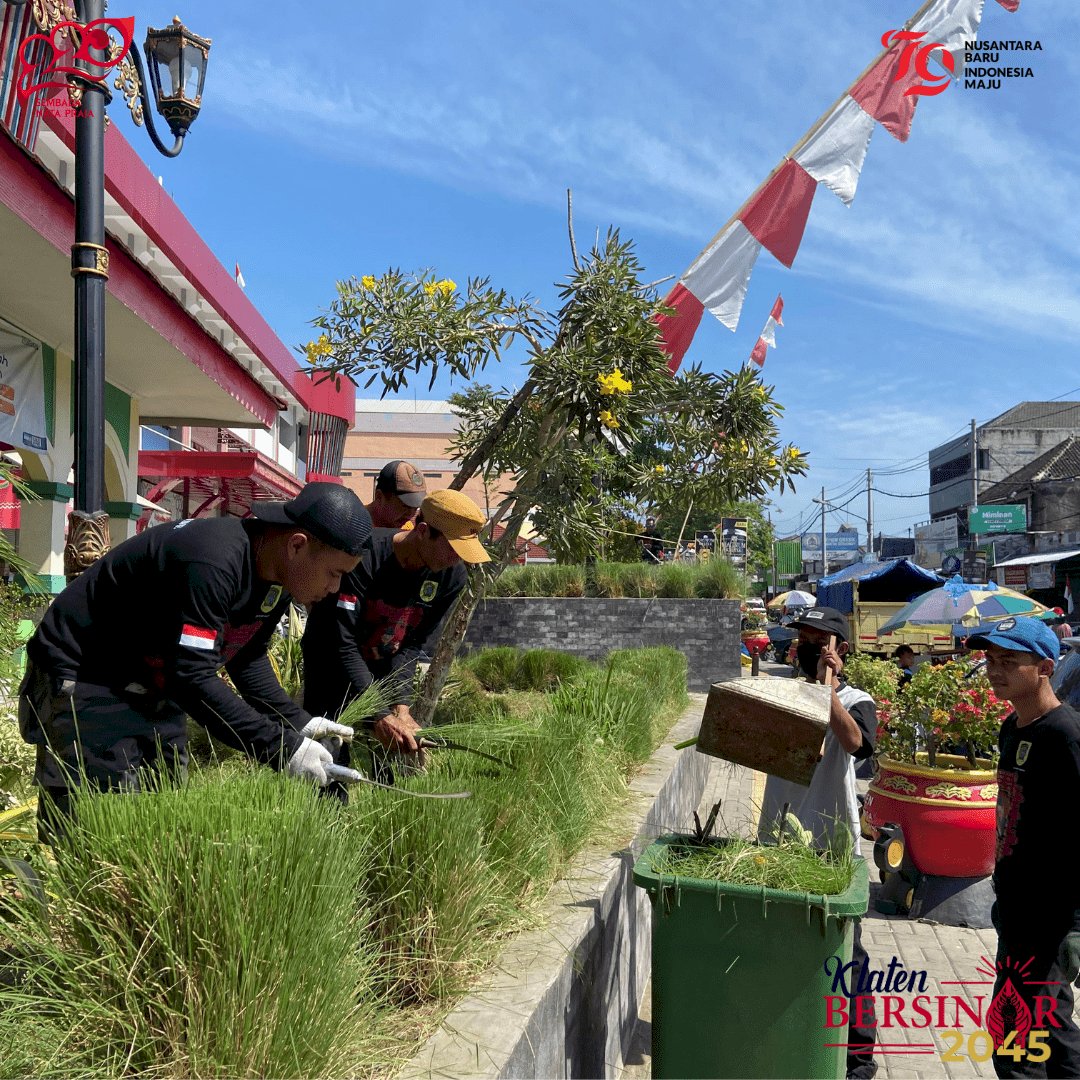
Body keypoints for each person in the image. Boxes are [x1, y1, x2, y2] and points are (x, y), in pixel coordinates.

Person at [18, 482, 372, 840]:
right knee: (96, 826)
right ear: (297, 544)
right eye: (335, 573)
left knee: (163, 813)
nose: (334, 588)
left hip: (154, 678)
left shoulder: (278, 576)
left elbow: (246, 654)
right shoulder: (212, 560)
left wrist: (299, 722)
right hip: (87, 673)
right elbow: (192, 677)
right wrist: (284, 749)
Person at [757, 607, 879, 1079]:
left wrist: (828, 689)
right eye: (801, 641)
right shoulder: (786, 693)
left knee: (848, 955)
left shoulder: (856, 698)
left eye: (817, 641)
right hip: (780, 839)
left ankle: (857, 1061)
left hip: (831, 844)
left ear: (839, 649)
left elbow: (853, 746)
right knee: (785, 943)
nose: (806, 649)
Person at [301, 489, 491, 772]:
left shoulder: (451, 577)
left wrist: (400, 705)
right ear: (423, 531)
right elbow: (341, 642)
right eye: (453, 549)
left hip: (381, 666)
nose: (458, 560)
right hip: (331, 661)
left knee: (389, 761)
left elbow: (413, 643)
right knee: (327, 760)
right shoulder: (364, 558)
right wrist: (378, 713)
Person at [964, 617, 1080, 1079]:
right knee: (1049, 1030)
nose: (995, 670)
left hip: (1051, 918)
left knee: (1019, 1042)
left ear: (1046, 667)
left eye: (1009, 661)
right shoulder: (1014, 727)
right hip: (1016, 908)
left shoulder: (1067, 737)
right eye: (991, 660)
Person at [367, 459, 427, 530]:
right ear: (379, 497)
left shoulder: (407, 528)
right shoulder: (354, 525)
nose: (410, 515)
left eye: (416, 508)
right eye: (405, 506)